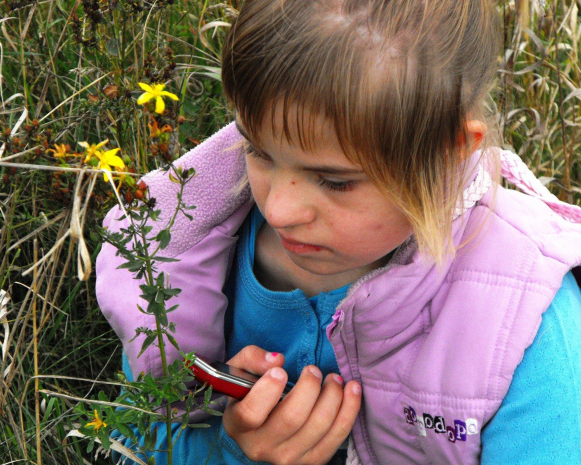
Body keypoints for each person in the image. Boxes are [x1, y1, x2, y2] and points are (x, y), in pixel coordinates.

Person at [96, 0, 581, 464]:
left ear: (446, 152)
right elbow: (135, 439)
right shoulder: (181, 251)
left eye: (335, 181)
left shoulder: (525, 321)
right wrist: (233, 452)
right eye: (259, 151)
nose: (280, 210)